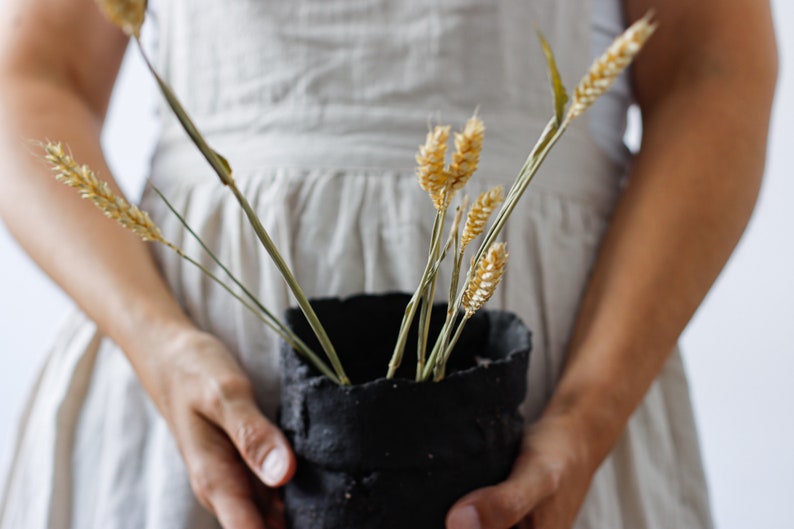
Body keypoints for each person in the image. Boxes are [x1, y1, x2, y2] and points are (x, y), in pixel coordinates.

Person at [0, 0, 777, 527]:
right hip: (185, 396)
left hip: (558, 395)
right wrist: (158, 344)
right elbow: (31, 77)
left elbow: (712, 72)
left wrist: (587, 413)